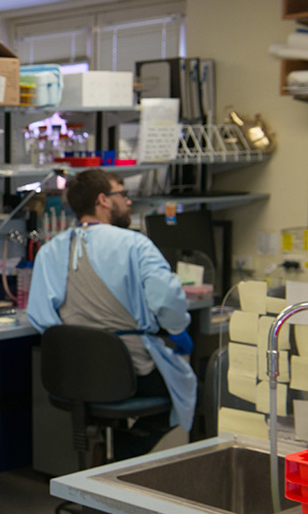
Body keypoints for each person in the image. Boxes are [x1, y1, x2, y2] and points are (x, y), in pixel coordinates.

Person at [26, 169, 197, 460]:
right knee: (191, 388)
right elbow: (168, 298)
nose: (128, 202)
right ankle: (123, 453)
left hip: (74, 375)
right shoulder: (135, 244)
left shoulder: (49, 251)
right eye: (123, 194)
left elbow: (41, 318)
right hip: (131, 373)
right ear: (103, 200)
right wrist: (178, 330)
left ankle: (107, 455)